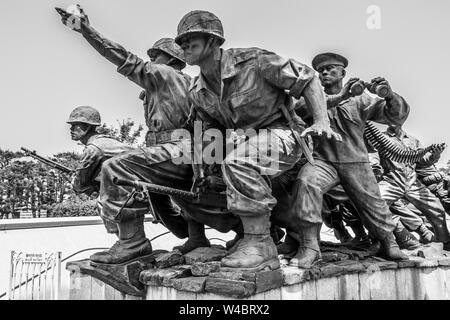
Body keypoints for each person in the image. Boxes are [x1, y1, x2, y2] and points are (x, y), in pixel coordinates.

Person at [172, 10, 341, 272]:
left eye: (192, 39)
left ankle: (259, 243)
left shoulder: (253, 60)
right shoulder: (197, 90)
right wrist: (202, 162)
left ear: (214, 42)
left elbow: (307, 78)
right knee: (210, 176)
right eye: (181, 42)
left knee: (240, 162)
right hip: (247, 141)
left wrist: (321, 121)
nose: (184, 46)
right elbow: (209, 128)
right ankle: (252, 233)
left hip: (284, 133)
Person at [57, 6, 199, 264]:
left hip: (175, 150)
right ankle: (194, 236)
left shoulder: (164, 75)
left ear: (166, 59)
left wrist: (87, 31)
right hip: (188, 154)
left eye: (155, 56)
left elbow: (124, 58)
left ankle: (132, 243)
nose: (151, 61)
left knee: (115, 168)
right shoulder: (189, 83)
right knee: (157, 199)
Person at [280, 52, 411, 268]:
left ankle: (388, 242)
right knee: (306, 182)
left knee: (373, 203)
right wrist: (340, 96)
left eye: (331, 68)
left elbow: (395, 117)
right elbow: (296, 111)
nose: (325, 72)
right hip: (324, 162)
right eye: (321, 70)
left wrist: (389, 95)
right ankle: (309, 246)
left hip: (356, 162)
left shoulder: (361, 99)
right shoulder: (312, 98)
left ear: (343, 73)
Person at [376, 124, 450, 249]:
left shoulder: (412, 140)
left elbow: (423, 162)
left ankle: (445, 242)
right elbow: (373, 159)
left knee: (436, 208)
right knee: (376, 203)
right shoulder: (380, 138)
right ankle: (384, 243)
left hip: (412, 181)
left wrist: (435, 154)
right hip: (391, 180)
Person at [67, 105, 133, 235]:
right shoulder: (108, 141)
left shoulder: (94, 149)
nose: (71, 128)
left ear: (87, 127)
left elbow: (79, 184)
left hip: (129, 192)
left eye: (76, 125)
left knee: (103, 202)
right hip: (135, 186)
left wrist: (74, 182)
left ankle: (126, 242)